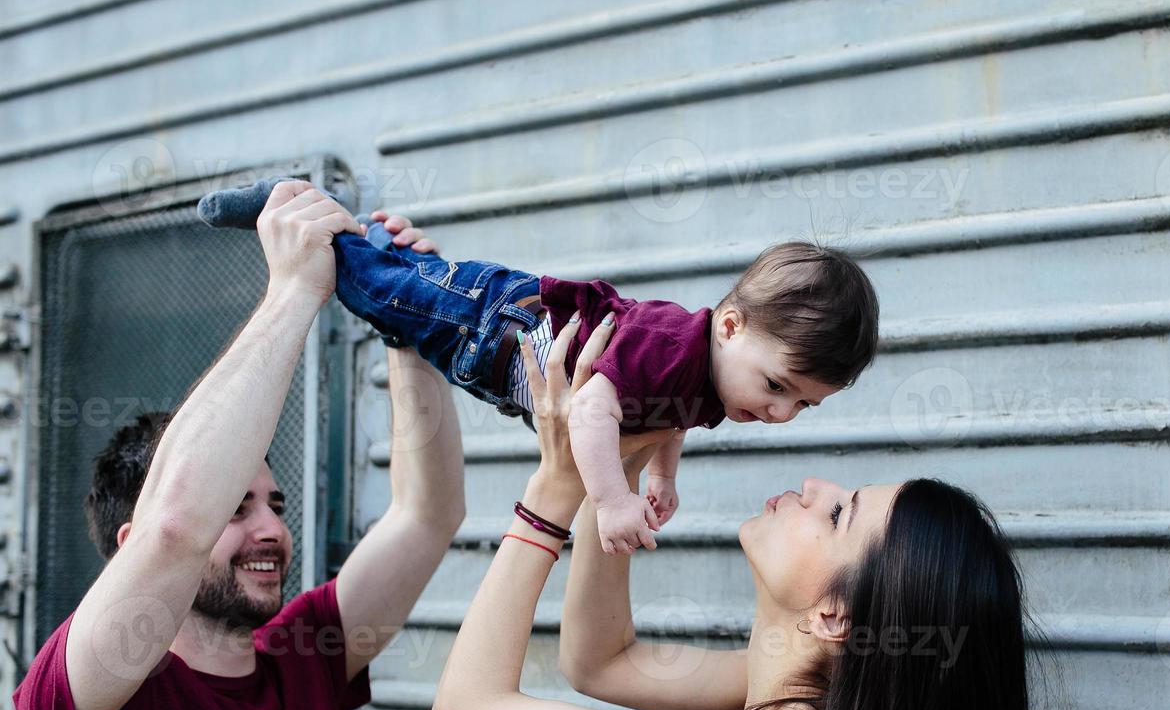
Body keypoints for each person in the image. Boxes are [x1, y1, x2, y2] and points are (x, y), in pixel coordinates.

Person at [432, 317, 1055, 710]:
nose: (814, 484)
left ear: (834, 617)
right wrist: (615, 470)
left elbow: (468, 705)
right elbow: (600, 663)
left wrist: (554, 485)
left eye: (839, 515)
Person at [11, 184, 464, 710]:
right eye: (236, 509)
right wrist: (291, 292)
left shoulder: (307, 656)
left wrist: (405, 332)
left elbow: (427, 515)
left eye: (275, 506)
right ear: (130, 552)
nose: (270, 531)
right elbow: (173, 529)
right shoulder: (84, 692)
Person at [197, 175, 881, 556]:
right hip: (496, 319)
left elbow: (674, 416)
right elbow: (590, 408)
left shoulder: (715, 383)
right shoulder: (675, 344)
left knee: (392, 301)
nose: (780, 413)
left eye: (804, 406)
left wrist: (664, 475)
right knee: (368, 286)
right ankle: (293, 203)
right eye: (777, 387)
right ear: (729, 326)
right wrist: (612, 500)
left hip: (491, 361)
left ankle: (372, 236)